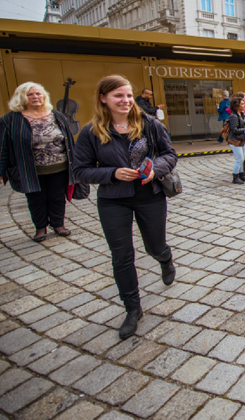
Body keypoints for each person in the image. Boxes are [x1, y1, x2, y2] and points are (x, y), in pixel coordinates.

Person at [73, 75, 177, 339]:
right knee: (122, 255)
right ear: (103, 98)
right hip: (113, 199)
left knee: (154, 246)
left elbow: (169, 155)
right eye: (118, 95)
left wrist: (156, 170)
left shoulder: (149, 124)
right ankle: (133, 308)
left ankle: (165, 258)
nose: (126, 100)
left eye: (129, 95)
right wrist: (112, 173)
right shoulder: (90, 132)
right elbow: (80, 170)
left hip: (150, 194)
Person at [0, 82, 77, 242]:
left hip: (59, 166)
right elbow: (3, 148)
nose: (35, 97)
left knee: (57, 197)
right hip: (30, 169)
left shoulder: (57, 115)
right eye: (30, 94)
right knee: (36, 199)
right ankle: (40, 228)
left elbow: (69, 141)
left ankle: (58, 224)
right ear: (21, 98)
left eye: (38, 94)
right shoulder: (10, 120)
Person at [228, 97, 245, 184]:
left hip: (241, 140)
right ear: (236, 105)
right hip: (235, 140)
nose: (244, 105)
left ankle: (241, 174)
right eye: (242, 104)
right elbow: (234, 130)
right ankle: (235, 176)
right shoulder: (233, 116)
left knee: (243, 158)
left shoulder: (241, 114)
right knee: (239, 158)